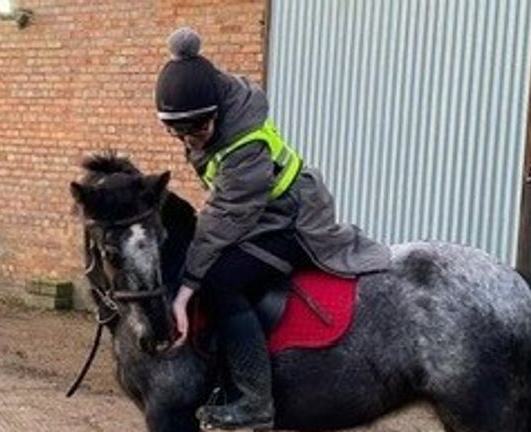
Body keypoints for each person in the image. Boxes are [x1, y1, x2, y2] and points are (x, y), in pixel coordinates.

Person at [155, 27, 390, 430]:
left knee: (220, 282)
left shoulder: (245, 143)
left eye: (198, 129)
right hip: (263, 213)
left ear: (216, 112)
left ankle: (253, 402)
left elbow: (225, 216)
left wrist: (186, 290)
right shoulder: (211, 101)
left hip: (295, 220)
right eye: (179, 132)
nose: (190, 139)